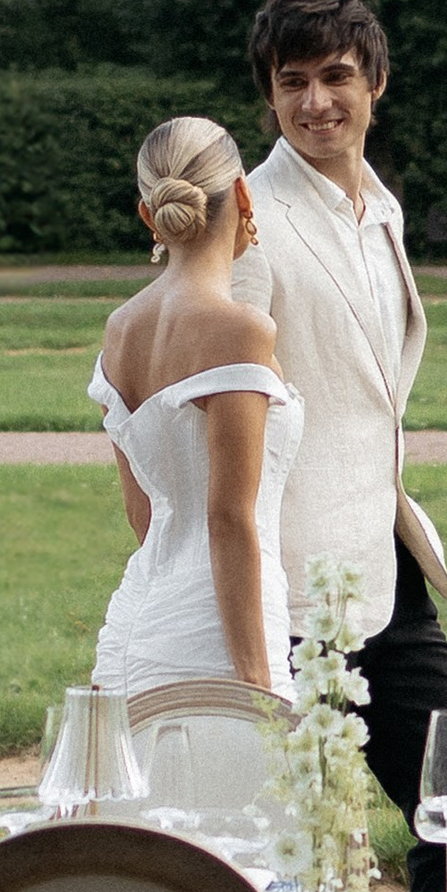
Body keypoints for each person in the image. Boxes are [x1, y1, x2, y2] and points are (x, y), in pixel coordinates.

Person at [237, 0, 447, 892]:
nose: (316, 101)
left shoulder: (381, 211)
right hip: (292, 589)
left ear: (376, 80)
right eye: (292, 81)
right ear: (269, 94)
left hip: (386, 570)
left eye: (336, 76)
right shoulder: (249, 221)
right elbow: (223, 415)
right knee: (308, 864)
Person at [89, 116, 304, 698]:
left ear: (147, 216)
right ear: (242, 193)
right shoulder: (240, 330)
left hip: (137, 624)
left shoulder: (120, 331)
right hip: (222, 642)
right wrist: (257, 682)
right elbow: (229, 518)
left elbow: (144, 516)